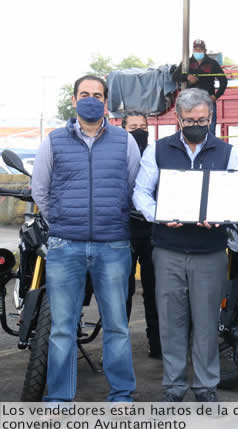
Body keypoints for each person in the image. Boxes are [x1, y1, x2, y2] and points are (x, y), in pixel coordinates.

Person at [31, 75, 140, 402]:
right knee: (62, 328)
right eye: (84, 94)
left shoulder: (125, 141)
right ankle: (60, 398)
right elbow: (41, 189)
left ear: (105, 102)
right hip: (66, 246)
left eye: (97, 94)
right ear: (75, 100)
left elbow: (134, 186)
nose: (90, 99)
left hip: (113, 245)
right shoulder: (53, 141)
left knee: (118, 326)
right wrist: (63, 220)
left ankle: (121, 394)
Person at [133, 88, 238, 402]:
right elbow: (141, 193)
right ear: (178, 119)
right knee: (171, 321)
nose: (197, 124)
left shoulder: (227, 151)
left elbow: (237, 193)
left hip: (209, 251)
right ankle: (174, 386)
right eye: (191, 119)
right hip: (168, 249)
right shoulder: (157, 150)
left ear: (210, 118)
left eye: (203, 119)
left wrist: (222, 216)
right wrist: (159, 215)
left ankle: (206, 385)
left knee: (208, 322)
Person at [121, 112, 161, 360]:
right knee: (121, 293)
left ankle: (157, 345)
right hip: (123, 230)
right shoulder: (115, 154)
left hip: (151, 230)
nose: (139, 131)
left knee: (154, 290)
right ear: (123, 129)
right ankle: (117, 349)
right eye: (133, 127)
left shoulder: (156, 153)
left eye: (143, 126)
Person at [172, 39, 228, 135]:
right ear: (193, 50)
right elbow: (175, 76)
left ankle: (209, 148)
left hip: (207, 100)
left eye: (200, 49)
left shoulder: (212, 63)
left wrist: (215, 96)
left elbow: (223, 81)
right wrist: (187, 77)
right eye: (196, 49)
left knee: (209, 129)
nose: (198, 51)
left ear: (205, 50)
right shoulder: (187, 62)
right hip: (190, 101)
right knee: (189, 127)